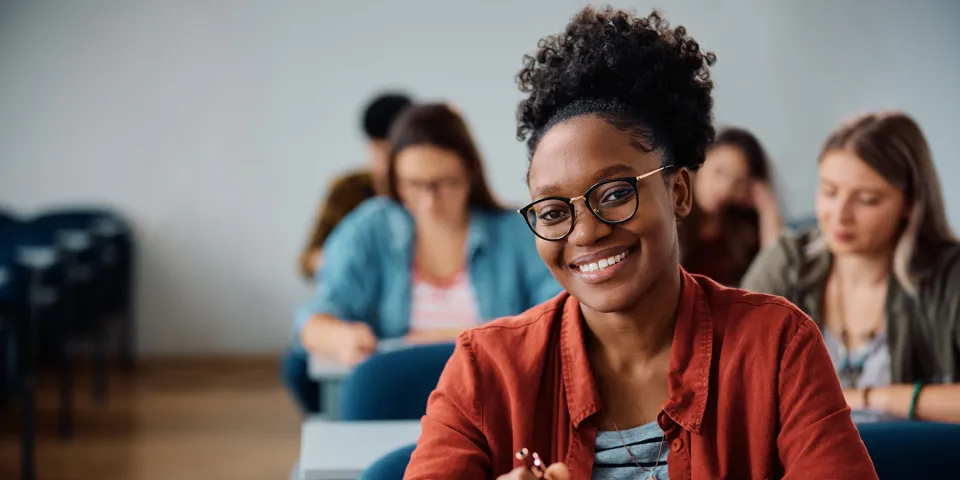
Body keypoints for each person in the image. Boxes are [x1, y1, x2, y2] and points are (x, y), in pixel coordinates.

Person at [404, 7, 877, 480]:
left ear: (678, 193)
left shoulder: (776, 346)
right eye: (552, 212)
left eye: (615, 194)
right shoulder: (486, 370)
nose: (585, 232)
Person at [282, 103, 562, 413]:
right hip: (396, 407)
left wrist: (428, 338)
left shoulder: (515, 232)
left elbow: (561, 313)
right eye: (413, 185)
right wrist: (339, 336)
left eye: (444, 183)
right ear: (394, 179)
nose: (429, 203)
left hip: (497, 406)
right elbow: (316, 314)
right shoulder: (370, 227)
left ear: (470, 173)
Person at [742, 111, 960, 424]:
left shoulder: (949, 275)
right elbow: (724, 370)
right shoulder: (787, 261)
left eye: (867, 199)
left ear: (911, 203)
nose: (840, 215)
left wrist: (871, 398)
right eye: (829, 192)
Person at [297, 92, 412, 280]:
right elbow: (307, 260)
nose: (385, 163)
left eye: (393, 152)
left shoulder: (423, 194)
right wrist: (340, 259)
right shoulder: (347, 189)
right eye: (378, 150)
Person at [680, 127, 783, 285]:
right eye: (720, 172)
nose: (725, 188)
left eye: (738, 181)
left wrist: (767, 208)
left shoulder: (740, 233)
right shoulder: (672, 211)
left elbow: (776, 276)